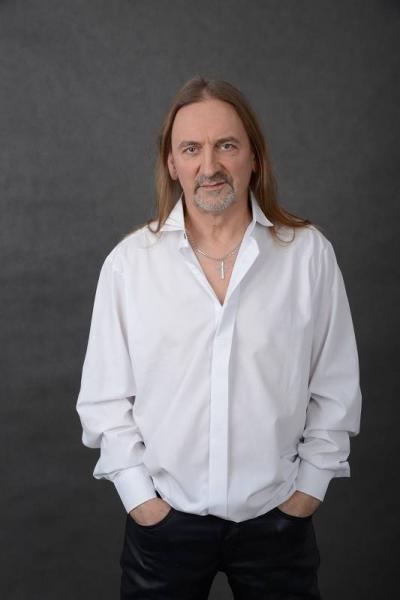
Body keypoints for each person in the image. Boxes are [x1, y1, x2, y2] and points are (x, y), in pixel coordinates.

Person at [76, 76, 362, 600]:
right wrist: (142, 500)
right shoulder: (129, 266)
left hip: (277, 524)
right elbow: (104, 399)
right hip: (164, 526)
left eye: (226, 145)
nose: (209, 166)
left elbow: (335, 385)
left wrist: (307, 492)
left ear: (255, 157)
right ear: (171, 163)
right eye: (191, 149)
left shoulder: (307, 255)